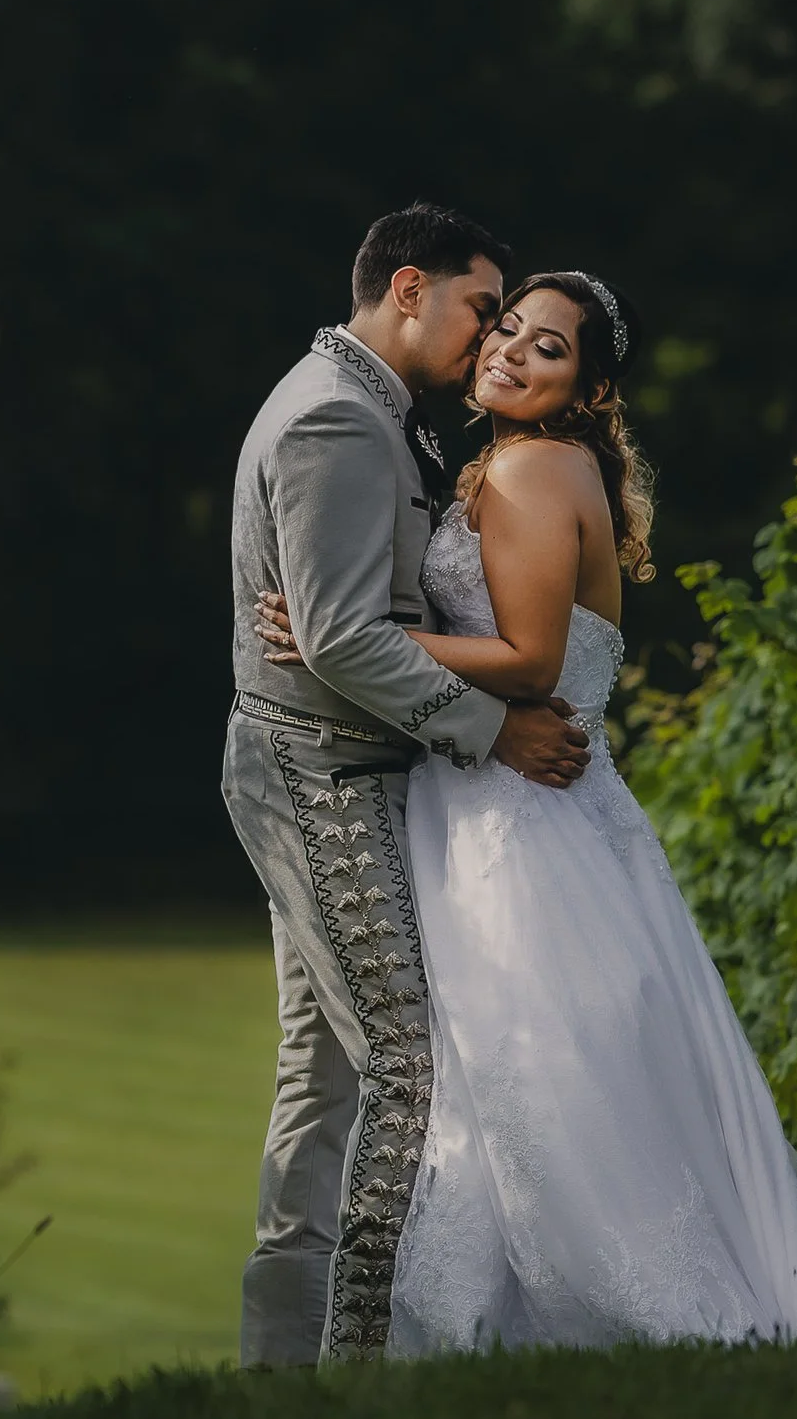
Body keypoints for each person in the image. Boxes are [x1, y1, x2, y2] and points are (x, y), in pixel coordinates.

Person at [252, 269, 797, 1351]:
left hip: (515, 815)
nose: (507, 352)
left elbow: (530, 661)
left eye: (545, 348)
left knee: (528, 1057)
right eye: (505, 329)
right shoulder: (518, 460)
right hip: (521, 802)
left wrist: (340, 632)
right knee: (527, 1059)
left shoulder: (532, 468)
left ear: (586, 390)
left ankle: (595, 1309)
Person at [220, 203, 591, 1366]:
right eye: (485, 308)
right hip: (317, 774)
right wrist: (495, 730)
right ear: (410, 287)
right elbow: (338, 641)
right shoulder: (335, 416)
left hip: (329, 762)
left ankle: (281, 1365)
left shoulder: (379, 409)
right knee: (403, 1059)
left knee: (321, 1070)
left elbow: (362, 617)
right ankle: (357, 1356)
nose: (490, 336)